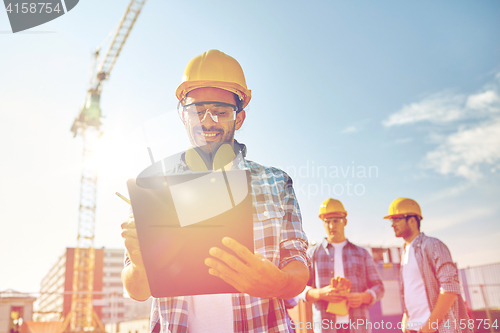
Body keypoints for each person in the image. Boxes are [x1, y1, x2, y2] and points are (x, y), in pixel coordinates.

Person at [120, 49, 310, 333]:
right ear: (183, 116)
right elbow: (137, 290)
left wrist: (278, 284)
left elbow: (297, 262)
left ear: (240, 119)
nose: (207, 121)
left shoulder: (276, 182)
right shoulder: (153, 185)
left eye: (221, 112)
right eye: (197, 110)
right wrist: (139, 261)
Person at [383, 198, 471, 333]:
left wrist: (429, 326)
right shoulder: (405, 252)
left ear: (412, 220)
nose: (392, 224)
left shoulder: (433, 245)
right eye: (391, 220)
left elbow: (450, 288)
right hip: (415, 328)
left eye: (397, 219)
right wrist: (406, 318)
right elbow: (413, 290)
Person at [298, 198, 384, 333]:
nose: (331, 226)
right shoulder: (312, 254)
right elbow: (299, 289)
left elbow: (379, 286)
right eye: (327, 222)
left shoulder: (362, 254)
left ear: (345, 221)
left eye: (336, 221)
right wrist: (320, 293)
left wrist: (363, 297)